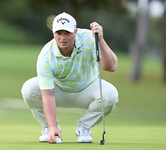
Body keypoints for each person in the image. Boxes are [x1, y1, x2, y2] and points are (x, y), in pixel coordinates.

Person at [21, 12, 119, 144]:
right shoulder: (46, 55)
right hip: (58, 91)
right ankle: (48, 127)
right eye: (59, 33)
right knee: (29, 89)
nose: (63, 37)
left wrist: (100, 40)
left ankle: (84, 127)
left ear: (75, 31)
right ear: (53, 33)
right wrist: (52, 126)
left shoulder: (89, 38)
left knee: (111, 94)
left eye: (67, 33)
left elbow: (111, 67)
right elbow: (47, 94)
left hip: (88, 88)